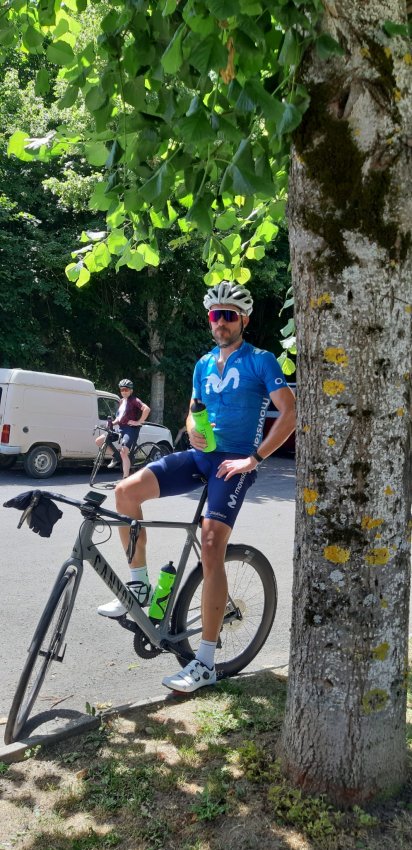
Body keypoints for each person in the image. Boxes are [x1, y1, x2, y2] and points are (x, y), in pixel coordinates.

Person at [98, 283, 296, 693]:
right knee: (125, 492)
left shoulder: (261, 360)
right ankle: (139, 585)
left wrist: (254, 459)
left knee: (210, 544)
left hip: (234, 463)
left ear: (243, 320)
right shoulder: (203, 363)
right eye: (214, 315)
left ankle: (204, 662)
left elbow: (290, 413)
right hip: (199, 457)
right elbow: (193, 410)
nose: (220, 323)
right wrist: (191, 429)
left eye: (229, 316)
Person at [95, 379, 150, 480]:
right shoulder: (121, 401)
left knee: (124, 451)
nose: (124, 391)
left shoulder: (134, 400)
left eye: (126, 389)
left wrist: (139, 422)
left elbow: (146, 409)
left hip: (131, 430)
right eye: (122, 390)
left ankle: (125, 478)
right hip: (121, 429)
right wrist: (112, 423)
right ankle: (116, 457)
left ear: (131, 391)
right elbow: (119, 418)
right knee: (99, 441)